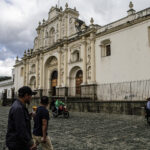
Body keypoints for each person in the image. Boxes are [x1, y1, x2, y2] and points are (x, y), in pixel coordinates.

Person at [6, 86, 37, 150]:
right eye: (30, 96)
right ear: (26, 95)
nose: (31, 98)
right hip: (17, 144)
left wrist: (28, 116)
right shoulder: (19, 108)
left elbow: (19, 120)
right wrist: (30, 144)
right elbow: (21, 129)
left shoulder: (19, 105)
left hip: (16, 142)